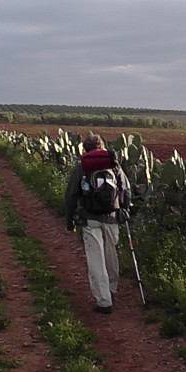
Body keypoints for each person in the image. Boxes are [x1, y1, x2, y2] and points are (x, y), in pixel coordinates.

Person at [64, 133, 131, 314]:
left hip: (90, 218)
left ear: (85, 149)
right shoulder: (114, 164)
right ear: (102, 146)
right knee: (111, 255)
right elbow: (126, 188)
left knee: (96, 258)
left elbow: (70, 195)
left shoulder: (82, 167)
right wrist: (125, 209)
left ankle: (104, 301)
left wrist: (69, 220)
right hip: (112, 217)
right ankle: (111, 289)